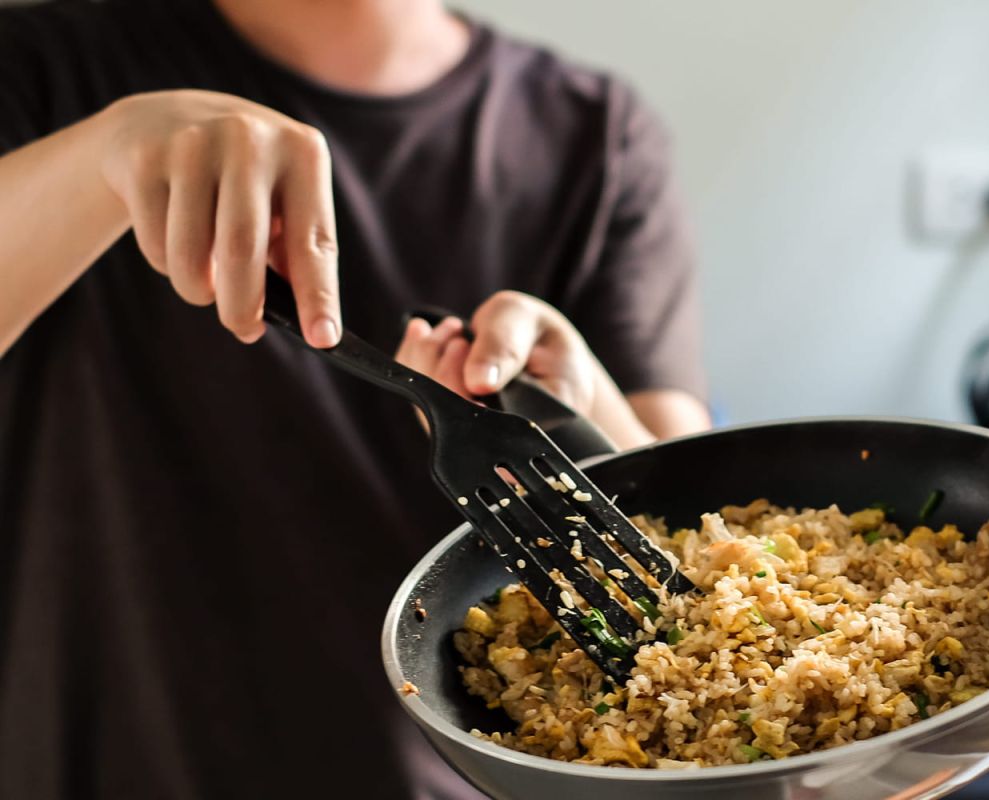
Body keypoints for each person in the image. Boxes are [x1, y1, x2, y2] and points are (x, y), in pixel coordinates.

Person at [0, 0, 709, 797]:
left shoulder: (596, 136)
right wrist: (101, 153)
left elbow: (696, 539)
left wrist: (576, 415)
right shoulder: (40, 64)